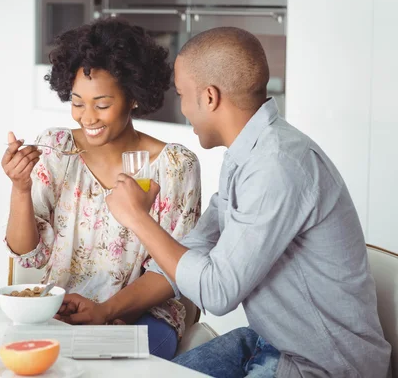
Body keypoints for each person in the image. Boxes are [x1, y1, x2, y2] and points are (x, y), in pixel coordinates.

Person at [63, 26, 392, 377]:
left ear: (209, 98)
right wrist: (105, 310)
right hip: (271, 342)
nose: (183, 109)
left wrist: (138, 218)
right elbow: (193, 249)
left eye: (181, 95)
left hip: (325, 366)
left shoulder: (277, 166)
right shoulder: (246, 156)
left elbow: (217, 292)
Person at [1, 18, 201, 360]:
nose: (87, 117)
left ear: (134, 98)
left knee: (98, 362)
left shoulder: (174, 166)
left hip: (143, 317)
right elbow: (27, 255)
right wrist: (20, 189)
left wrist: (106, 311)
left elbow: (173, 271)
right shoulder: (56, 148)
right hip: (62, 309)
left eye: (102, 104)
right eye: (78, 102)